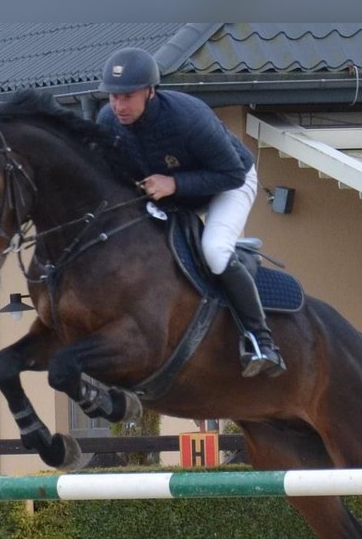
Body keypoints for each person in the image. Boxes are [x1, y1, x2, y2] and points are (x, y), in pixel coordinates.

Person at [97, 47, 286, 378]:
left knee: (213, 251)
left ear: (150, 91)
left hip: (228, 183)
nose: (118, 106)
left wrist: (174, 183)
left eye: (127, 96)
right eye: (113, 97)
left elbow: (231, 173)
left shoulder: (187, 118)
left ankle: (261, 342)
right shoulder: (107, 122)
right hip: (169, 192)